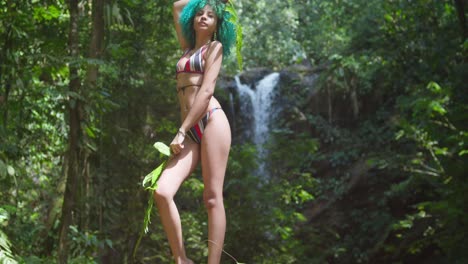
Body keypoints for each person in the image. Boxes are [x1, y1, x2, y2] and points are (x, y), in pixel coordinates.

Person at [153, 0, 237, 263]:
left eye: (210, 15)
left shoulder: (215, 48)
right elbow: (178, 5)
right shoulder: (187, 49)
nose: (203, 17)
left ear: (217, 24)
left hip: (211, 121)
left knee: (212, 197)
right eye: (199, 13)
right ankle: (182, 259)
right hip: (190, 131)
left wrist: (181, 130)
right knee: (162, 191)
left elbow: (207, 91)